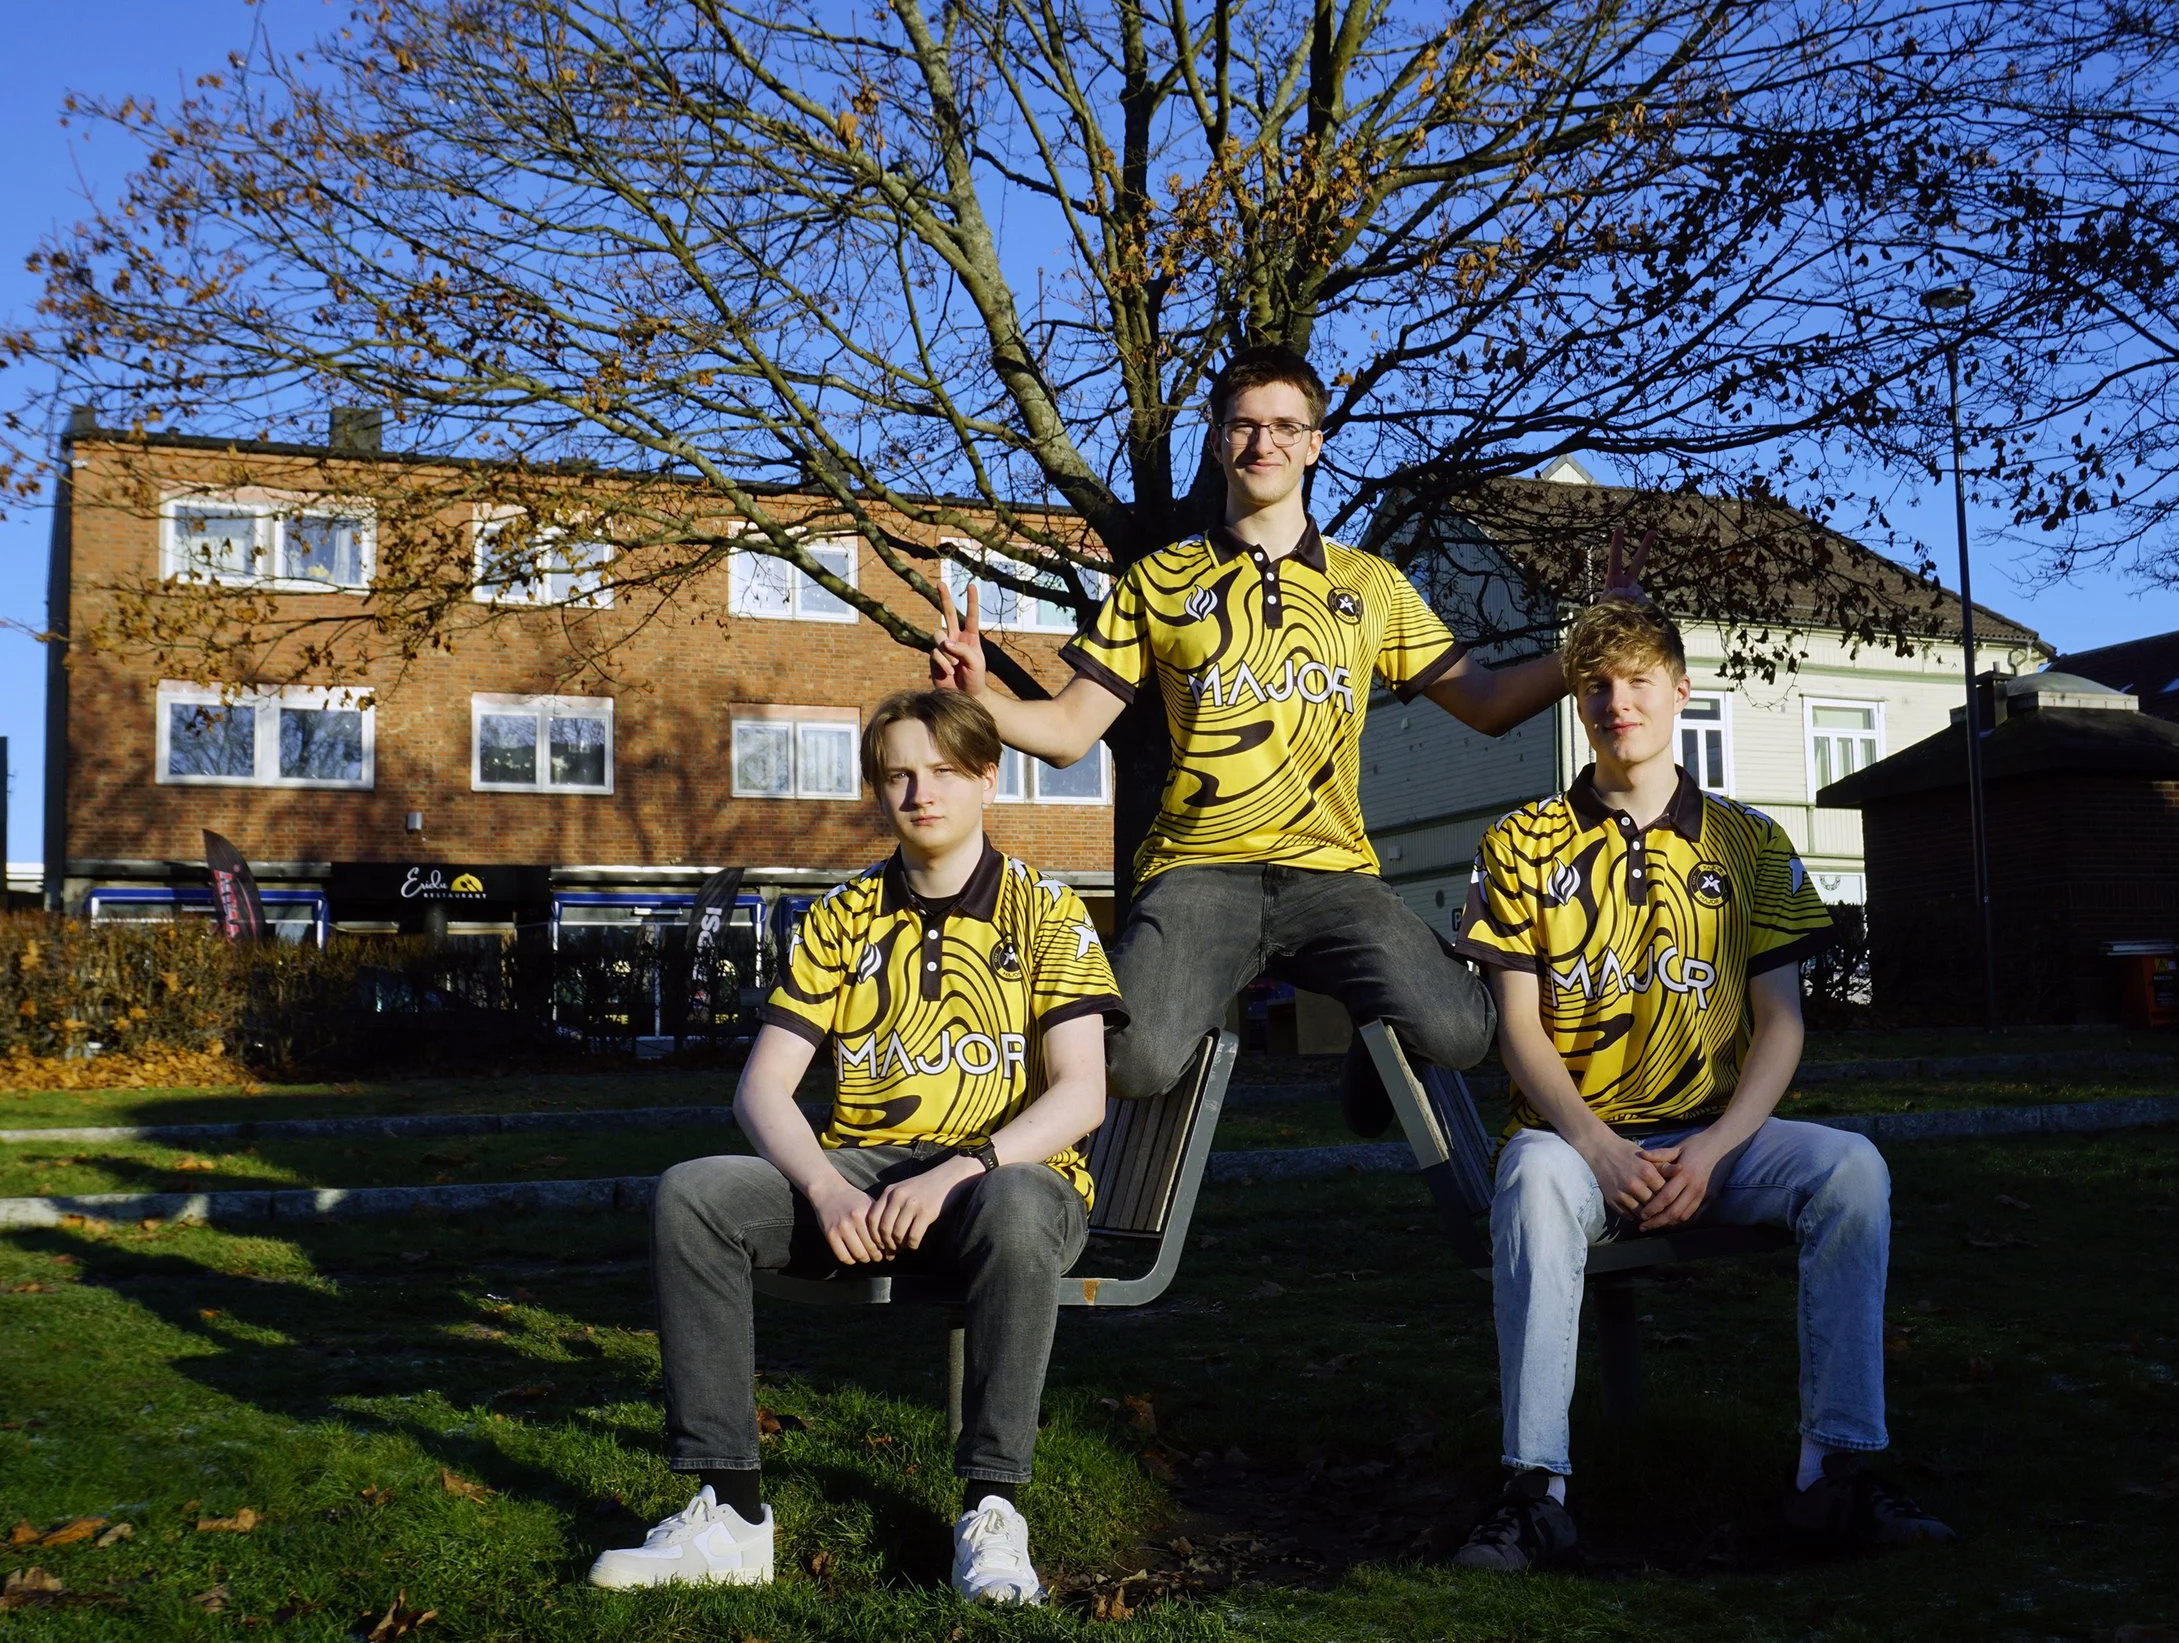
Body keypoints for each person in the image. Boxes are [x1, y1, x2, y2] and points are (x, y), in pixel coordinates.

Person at [931, 343, 1641, 1127]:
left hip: (1333, 874)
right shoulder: (1157, 580)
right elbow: (1068, 731)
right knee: (1131, 1060)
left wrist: (1591, 645)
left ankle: (1371, 1053)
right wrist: (982, 697)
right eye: (1243, 426)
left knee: (1462, 1030)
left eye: (1282, 426)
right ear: (1216, 439)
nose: (1261, 443)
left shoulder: (1372, 584)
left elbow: (1486, 701)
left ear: (1314, 443)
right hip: (1200, 871)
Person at [1445, 598, 1954, 1569]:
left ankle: (1834, 1474)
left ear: (1681, 690)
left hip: (1717, 1140)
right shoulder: (1521, 841)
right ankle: (1535, 1489)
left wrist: (1715, 1148)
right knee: (1531, 1177)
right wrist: (1597, 1143)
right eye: (1595, 682)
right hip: (1578, 1139)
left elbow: (1781, 1021)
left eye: (1637, 678)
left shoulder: (1748, 841)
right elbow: (1515, 1027)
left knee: (1851, 1168)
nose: (1614, 698)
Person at [588, 689, 1124, 1604]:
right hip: (863, 1179)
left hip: (998, 1178)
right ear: (878, 789)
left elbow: (1083, 1090)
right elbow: (761, 1089)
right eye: (899, 774)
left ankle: (993, 1509)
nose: (922, 792)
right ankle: (731, 1509)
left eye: (945, 771)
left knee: (1023, 1201)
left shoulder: (1047, 908)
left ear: (988, 778)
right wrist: (827, 1190)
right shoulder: (841, 914)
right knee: (693, 1191)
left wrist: (969, 1165)